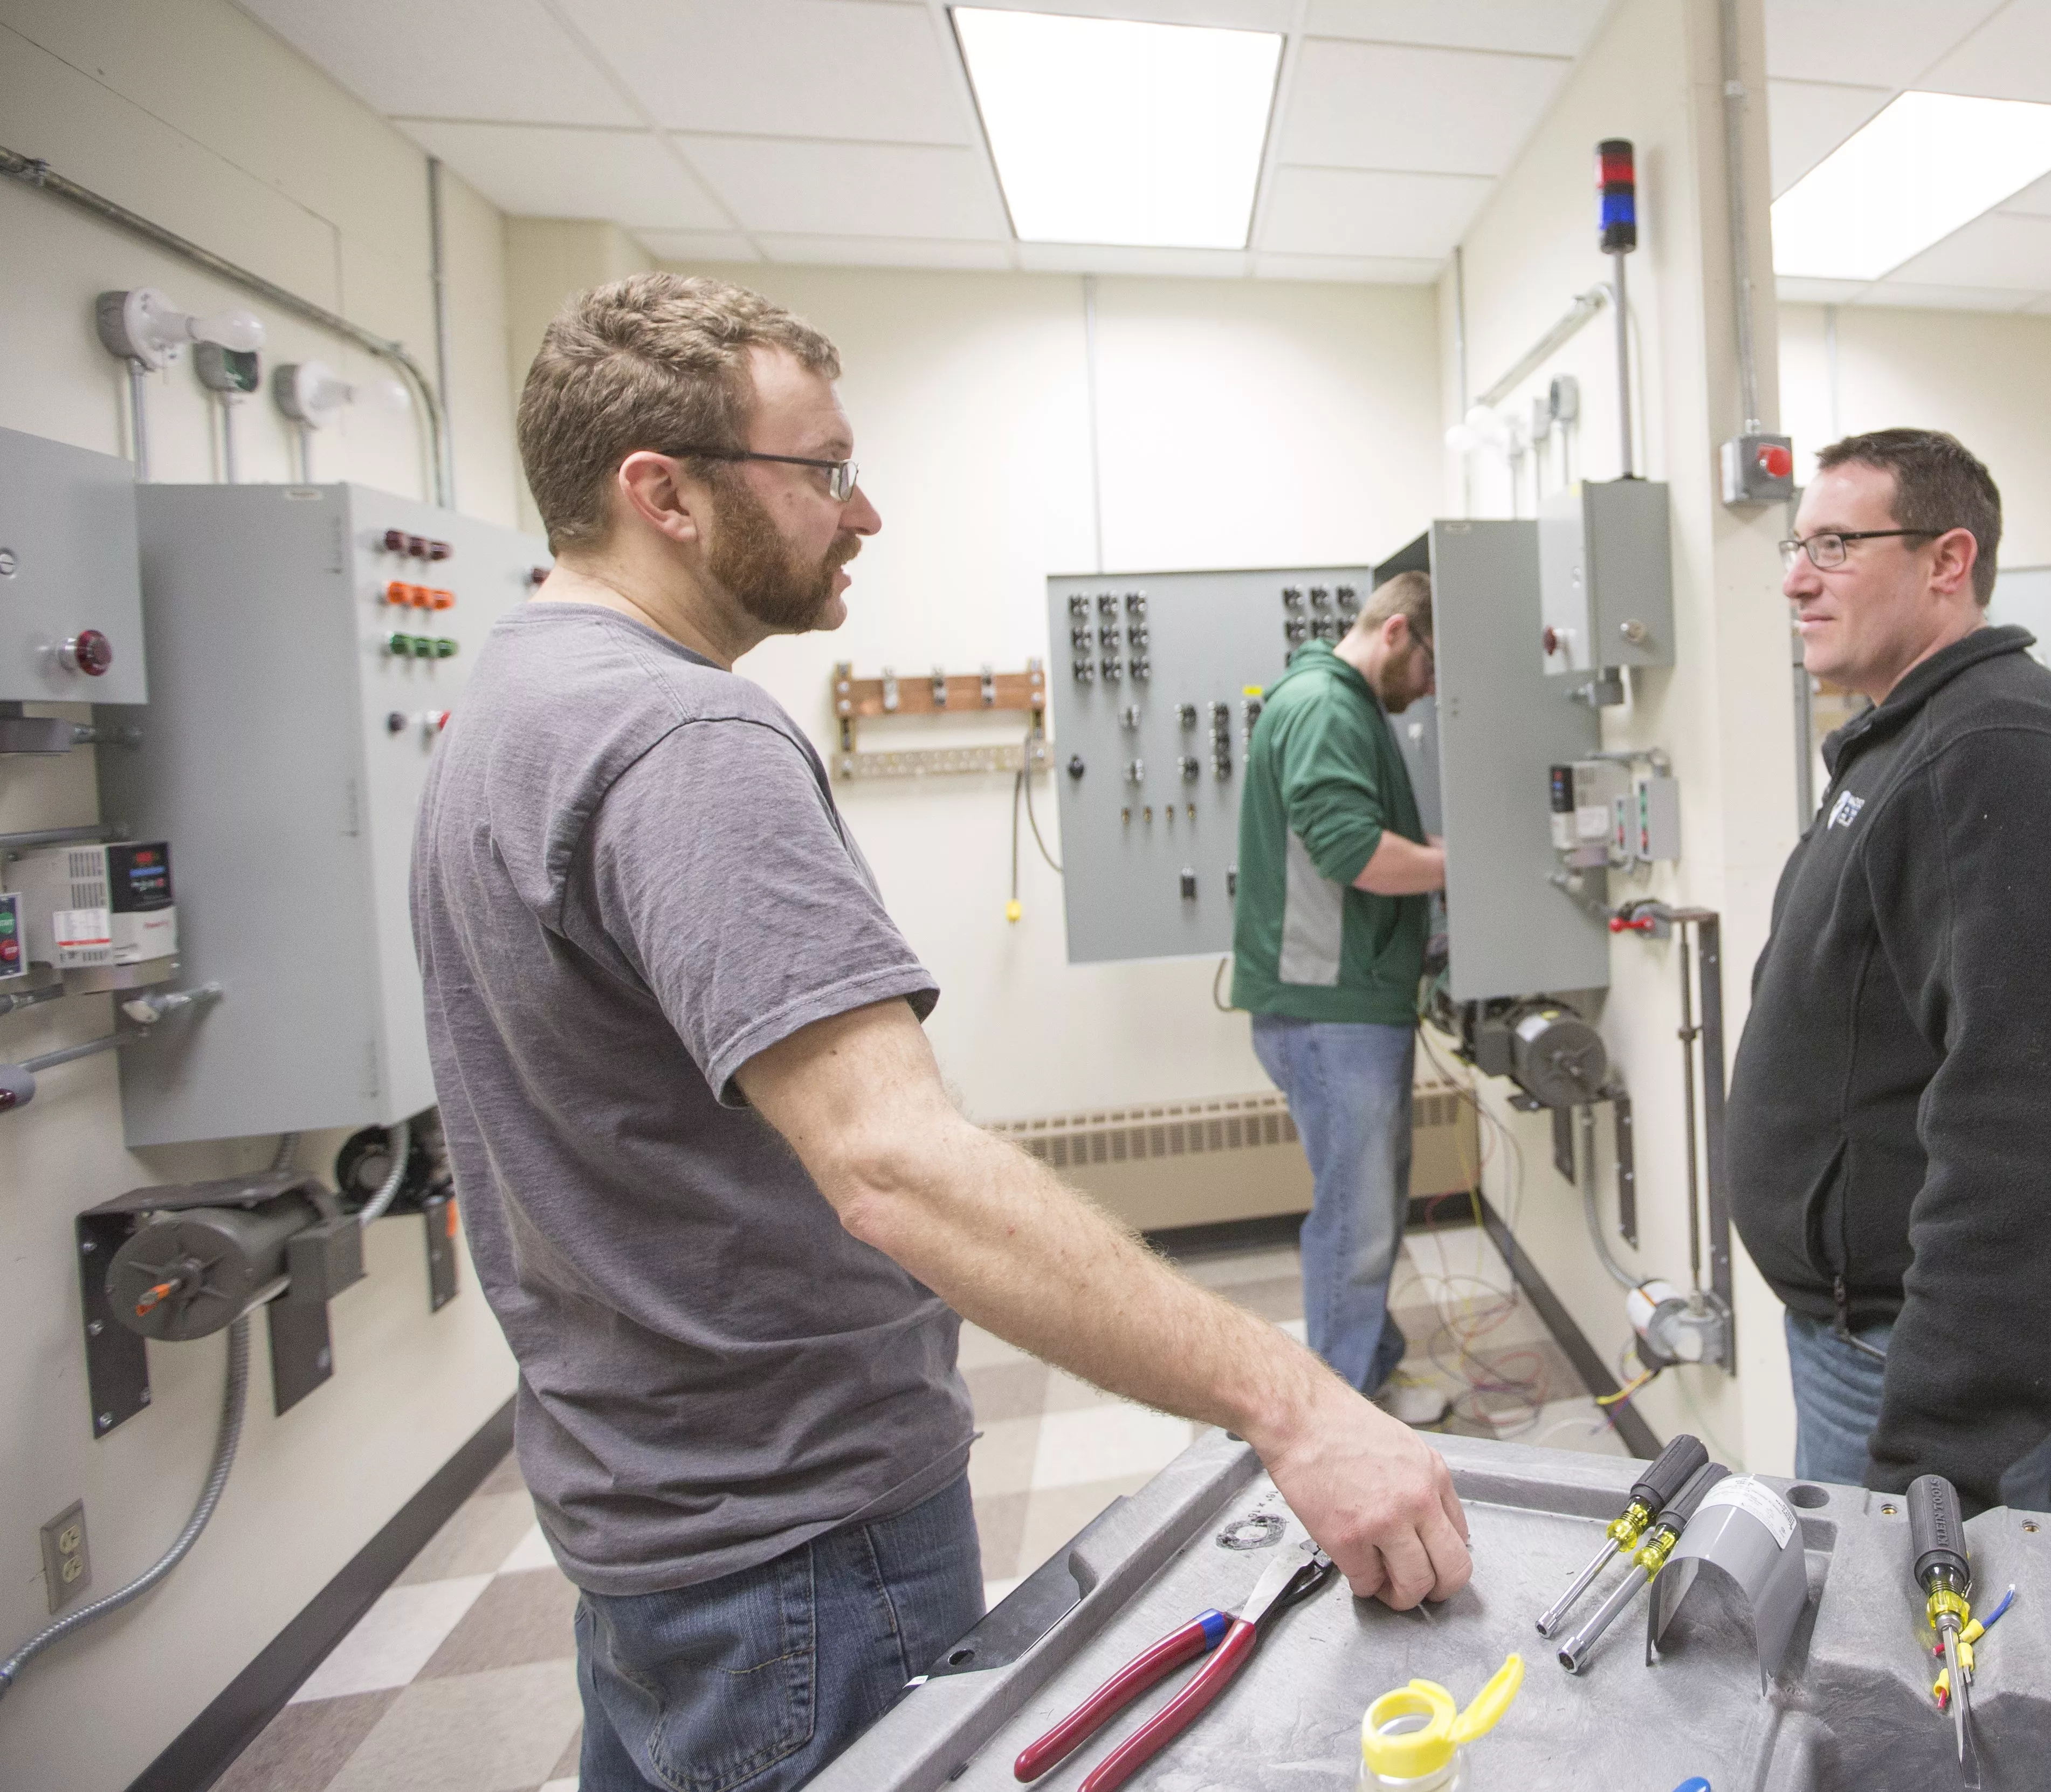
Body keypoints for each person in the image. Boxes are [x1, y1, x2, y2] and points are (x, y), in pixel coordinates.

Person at [411, 274, 1468, 1792]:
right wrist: (1296, 1400)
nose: (864, 513)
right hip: (794, 1543)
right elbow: (892, 1164)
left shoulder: (508, 702)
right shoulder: (685, 737)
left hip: (644, 1508)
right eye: (823, 470)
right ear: (664, 495)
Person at [1730, 427, 2051, 1521]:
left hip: (1937, 1367)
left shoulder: (2001, 751)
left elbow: (2033, 1116)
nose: (1796, 578)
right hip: (1874, 1332)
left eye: (1835, 545)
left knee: (1942, 1631)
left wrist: (1941, 1444)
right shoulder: (1912, 736)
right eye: (1797, 546)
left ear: (1947, 560)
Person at [1230, 573, 1450, 1424]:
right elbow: (1354, 852)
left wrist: (1435, 849)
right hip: (1330, 1009)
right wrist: (1461, 865)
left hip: (1348, 1002)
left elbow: (1368, 831)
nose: (1428, 689)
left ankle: (1371, 1368)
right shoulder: (1326, 705)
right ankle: (1340, 1415)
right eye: (1429, 666)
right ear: (1395, 632)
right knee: (1355, 1223)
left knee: (1368, 1207)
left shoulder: (1341, 701)